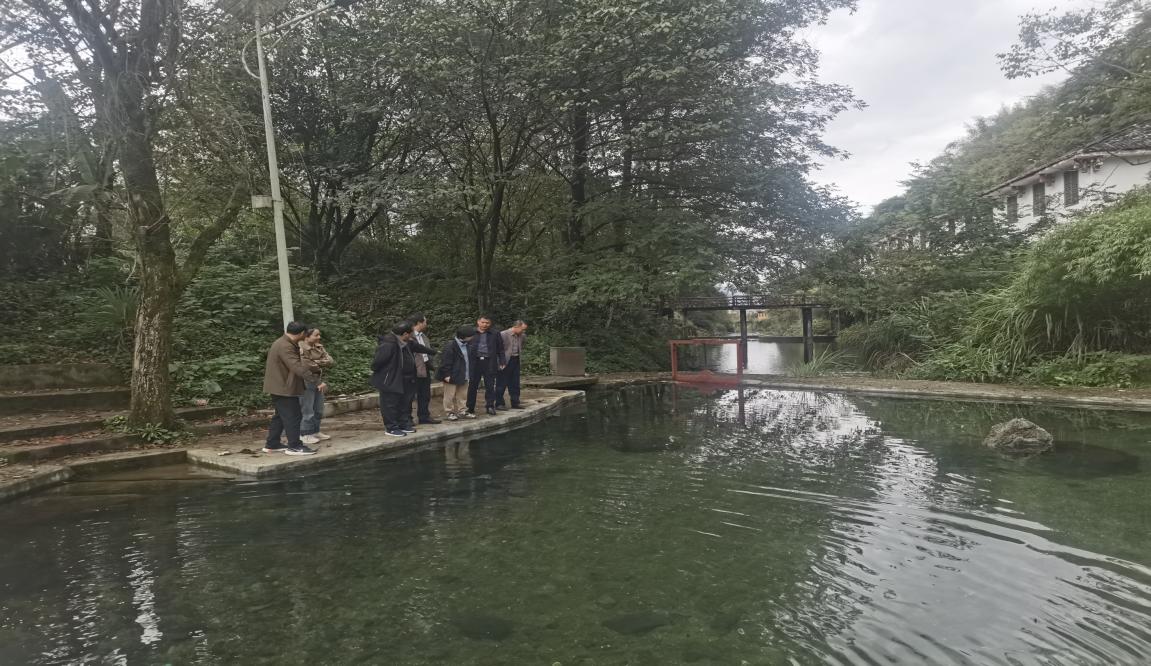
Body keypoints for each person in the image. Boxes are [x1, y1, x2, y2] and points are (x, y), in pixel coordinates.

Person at [262, 321, 325, 456]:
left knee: (280, 416)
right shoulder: (285, 346)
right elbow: (296, 366)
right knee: (294, 416)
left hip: (279, 386)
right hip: (283, 387)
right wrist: (316, 381)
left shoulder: (283, 342)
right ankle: (294, 446)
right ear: (302, 333)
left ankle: (272, 444)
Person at [371, 321, 435, 437]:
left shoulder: (407, 342)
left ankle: (403, 424)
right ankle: (391, 427)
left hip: (406, 378)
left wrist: (433, 352)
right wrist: (386, 374)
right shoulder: (388, 344)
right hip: (391, 379)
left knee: (404, 403)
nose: (412, 335)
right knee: (390, 404)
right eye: (411, 333)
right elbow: (377, 363)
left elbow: (418, 347)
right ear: (405, 334)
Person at [298, 327, 335, 445]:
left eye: (319, 335)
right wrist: (319, 362)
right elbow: (305, 365)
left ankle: (315, 431)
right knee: (307, 409)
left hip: (318, 379)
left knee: (318, 408)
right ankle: (305, 434)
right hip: (306, 380)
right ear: (307, 336)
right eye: (316, 335)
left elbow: (330, 361)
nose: (319, 337)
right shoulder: (300, 347)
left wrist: (316, 362)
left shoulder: (319, 346)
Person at [466, 315, 506, 416]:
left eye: (487, 323)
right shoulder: (471, 332)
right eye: (483, 322)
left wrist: (502, 361)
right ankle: (470, 407)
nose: (485, 325)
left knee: (490, 385)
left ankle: (490, 406)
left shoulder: (495, 333)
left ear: (490, 323)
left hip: (489, 362)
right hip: (475, 362)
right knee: (472, 386)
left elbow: (500, 349)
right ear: (478, 322)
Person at [437, 326, 476, 421]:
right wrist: (446, 375)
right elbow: (445, 362)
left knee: (463, 394)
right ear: (465, 336)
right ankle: (449, 412)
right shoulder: (450, 346)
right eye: (471, 336)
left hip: (464, 373)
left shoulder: (468, 344)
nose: (473, 337)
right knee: (449, 395)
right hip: (452, 375)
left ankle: (462, 411)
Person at [408, 314, 441, 425]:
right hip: (413, 369)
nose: (426, 324)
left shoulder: (424, 336)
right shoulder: (408, 336)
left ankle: (424, 416)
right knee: (410, 395)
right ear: (419, 323)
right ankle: (408, 418)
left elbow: (426, 352)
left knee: (425, 394)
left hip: (425, 367)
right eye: (425, 322)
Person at [495, 319, 528, 410]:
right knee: (501, 382)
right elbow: (497, 349)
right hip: (504, 361)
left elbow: (522, 345)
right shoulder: (503, 334)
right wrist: (500, 361)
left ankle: (515, 402)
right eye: (522, 329)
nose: (523, 331)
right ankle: (499, 403)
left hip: (516, 360)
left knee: (515, 383)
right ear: (516, 327)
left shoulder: (522, 336)